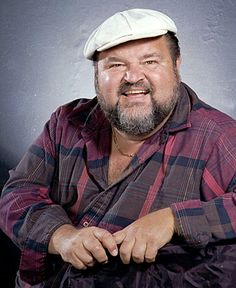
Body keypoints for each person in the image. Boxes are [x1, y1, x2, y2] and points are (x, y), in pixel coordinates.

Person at [0, 8, 236, 288]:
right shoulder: (67, 122)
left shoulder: (218, 136)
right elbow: (17, 193)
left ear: (176, 64)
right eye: (114, 65)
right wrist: (61, 236)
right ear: (97, 74)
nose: (133, 77)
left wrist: (174, 220)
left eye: (150, 61)